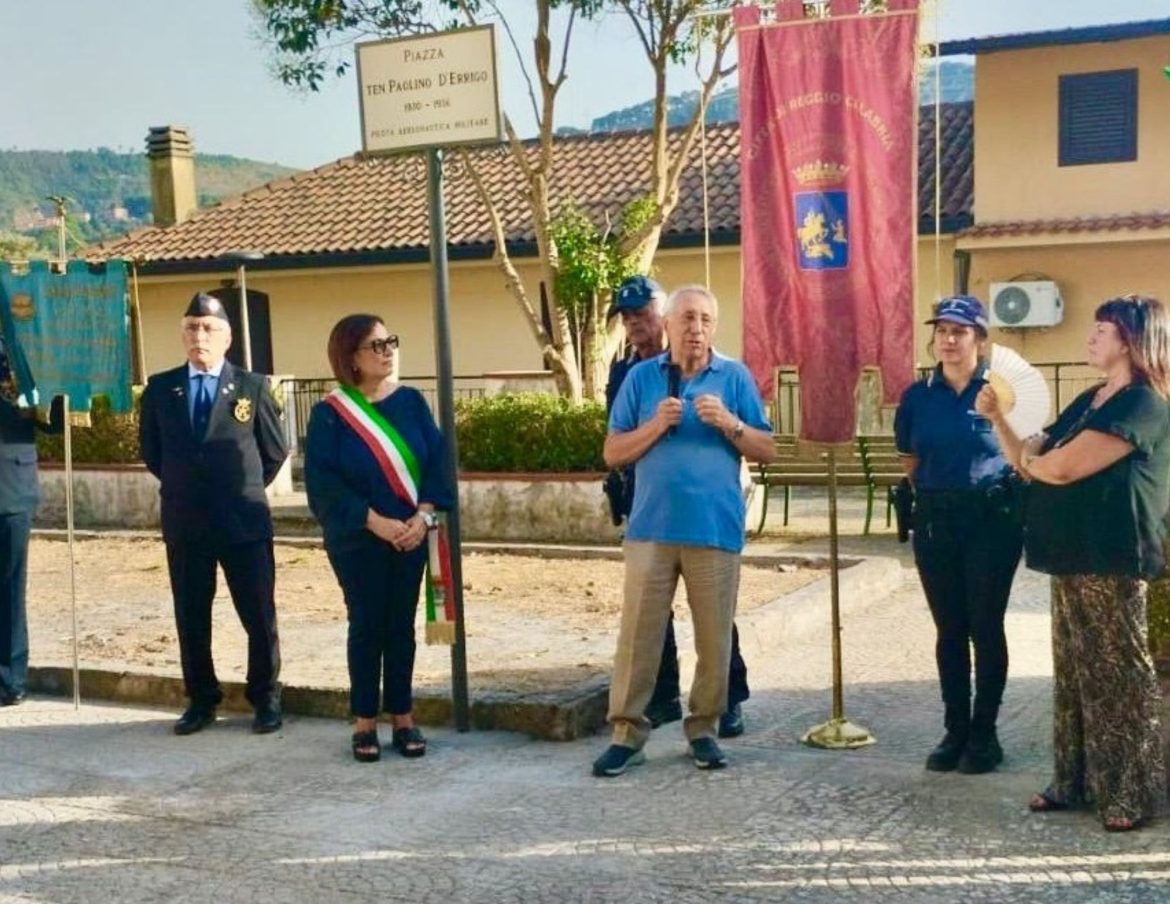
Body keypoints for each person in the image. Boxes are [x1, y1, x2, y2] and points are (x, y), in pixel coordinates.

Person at [980, 294, 1170, 832]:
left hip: (1114, 557)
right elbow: (1031, 459)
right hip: (1072, 554)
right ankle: (1076, 781)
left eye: (1101, 330)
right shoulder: (1092, 398)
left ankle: (1129, 792)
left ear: (1131, 340)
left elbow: (1062, 468)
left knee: (1120, 677)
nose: (1090, 337)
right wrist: (1000, 421)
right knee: (1076, 674)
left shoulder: (1143, 403)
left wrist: (1036, 458)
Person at [592, 285, 776, 777]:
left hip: (714, 529)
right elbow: (612, 452)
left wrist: (731, 424)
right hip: (651, 529)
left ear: (714, 327)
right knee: (638, 637)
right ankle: (626, 734)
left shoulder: (734, 377)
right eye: (687, 319)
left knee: (713, 639)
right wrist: (655, 426)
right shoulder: (640, 378)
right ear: (668, 324)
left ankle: (703, 730)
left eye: (704, 320)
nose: (695, 329)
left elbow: (768, 448)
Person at [304, 314, 454, 763]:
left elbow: (437, 463)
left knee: (400, 626)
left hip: (412, 534)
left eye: (390, 341)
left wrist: (423, 516)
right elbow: (323, 483)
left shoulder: (411, 402)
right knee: (367, 624)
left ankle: (403, 717)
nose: (387, 351)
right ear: (350, 356)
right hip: (358, 538)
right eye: (376, 345)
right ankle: (364, 721)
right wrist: (374, 522)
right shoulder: (330, 414)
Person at [139, 293, 288, 735]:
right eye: (191, 327)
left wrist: (237, 488)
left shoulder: (251, 386)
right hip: (186, 521)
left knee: (258, 614)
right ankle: (201, 699)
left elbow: (274, 451)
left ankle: (265, 697)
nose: (198, 336)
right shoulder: (161, 388)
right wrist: (190, 487)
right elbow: (153, 452)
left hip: (242, 520)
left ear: (227, 338)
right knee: (191, 614)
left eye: (208, 328)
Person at [894, 295, 1023, 775]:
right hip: (936, 518)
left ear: (980, 340)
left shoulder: (1002, 392)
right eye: (942, 331)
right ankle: (956, 729)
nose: (948, 340)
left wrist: (999, 416)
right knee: (949, 628)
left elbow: (1025, 454)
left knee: (985, 625)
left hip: (991, 519)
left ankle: (985, 734)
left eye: (960, 331)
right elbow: (910, 460)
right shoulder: (917, 396)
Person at [0, 336, 63, 706]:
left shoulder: (24, 354)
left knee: (9, 587)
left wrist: (59, 382)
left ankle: (9, 678)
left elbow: (52, 424)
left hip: (11, 486)